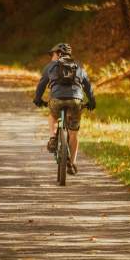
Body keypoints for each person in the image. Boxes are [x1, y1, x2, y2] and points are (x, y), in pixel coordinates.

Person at [33, 43, 96, 175]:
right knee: (73, 133)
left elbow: (42, 84)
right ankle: (72, 164)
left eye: (52, 54)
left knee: (52, 115)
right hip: (75, 100)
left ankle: (53, 138)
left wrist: (38, 99)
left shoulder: (50, 66)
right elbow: (88, 86)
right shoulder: (78, 66)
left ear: (58, 54)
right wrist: (91, 101)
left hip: (56, 99)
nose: (51, 57)